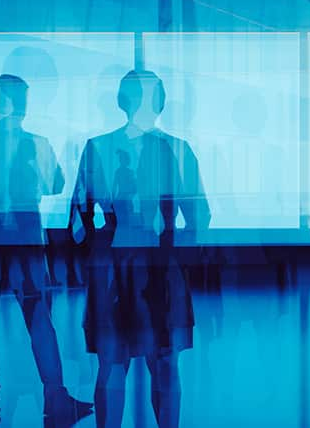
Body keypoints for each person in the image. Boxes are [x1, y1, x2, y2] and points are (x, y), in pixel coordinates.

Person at [72, 69, 208, 428]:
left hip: (126, 266)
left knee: (123, 362)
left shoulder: (99, 147)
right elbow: (199, 216)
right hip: (148, 266)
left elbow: (78, 222)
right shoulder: (176, 149)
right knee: (157, 362)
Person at [0, 74, 88, 424]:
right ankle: (55, 398)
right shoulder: (39, 143)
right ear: (20, 100)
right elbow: (55, 184)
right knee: (39, 319)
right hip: (24, 238)